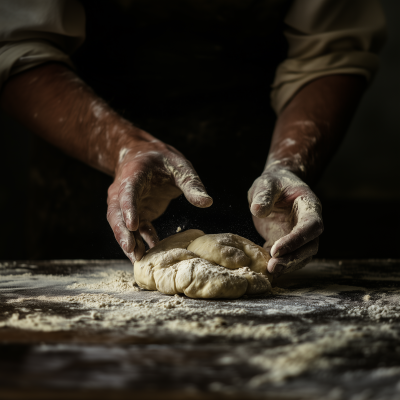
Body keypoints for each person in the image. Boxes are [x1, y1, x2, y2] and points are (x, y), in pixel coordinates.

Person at [0, 0, 386, 276]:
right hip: (85, 146)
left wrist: (290, 161)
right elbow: (15, 44)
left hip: (260, 157)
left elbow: (333, 49)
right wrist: (123, 147)